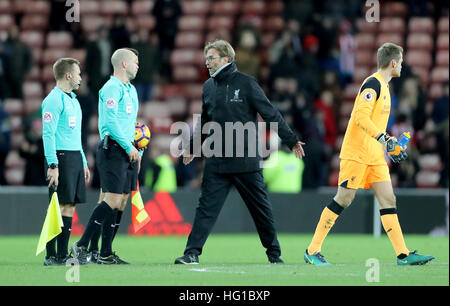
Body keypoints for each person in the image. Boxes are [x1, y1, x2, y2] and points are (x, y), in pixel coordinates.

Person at [174, 39, 306, 265]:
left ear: (226, 58)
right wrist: (194, 147)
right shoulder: (208, 87)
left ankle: (274, 254)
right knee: (205, 209)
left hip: (245, 160)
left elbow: (270, 113)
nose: (207, 63)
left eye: (211, 58)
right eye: (206, 58)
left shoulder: (247, 83)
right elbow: (205, 120)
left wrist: (291, 140)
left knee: (260, 210)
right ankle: (191, 253)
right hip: (217, 161)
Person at [303, 43, 435, 266]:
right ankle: (312, 250)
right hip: (357, 152)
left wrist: (389, 143)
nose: (401, 66)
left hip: (374, 155)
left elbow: (373, 123)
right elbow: (361, 119)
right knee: (344, 199)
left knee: (388, 199)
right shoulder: (373, 84)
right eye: (401, 62)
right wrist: (385, 139)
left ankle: (403, 255)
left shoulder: (384, 86)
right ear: (393, 63)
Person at [71, 48, 141, 265]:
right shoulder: (111, 88)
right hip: (113, 148)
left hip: (127, 149)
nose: (138, 65)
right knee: (111, 198)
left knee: (120, 201)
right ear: (123, 64)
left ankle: (105, 253)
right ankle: (81, 245)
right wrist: (128, 146)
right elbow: (110, 122)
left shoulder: (131, 90)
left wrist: (137, 148)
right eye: (135, 61)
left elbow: (130, 124)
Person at [41, 58, 90, 266]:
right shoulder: (53, 100)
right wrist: (53, 165)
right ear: (68, 75)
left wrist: (84, 162)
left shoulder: (73, 100)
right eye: (78, 73)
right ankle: (51, 255)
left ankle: (61, 254)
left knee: (69, 206)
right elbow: (48, 134)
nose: (80, 77)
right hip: (60, 158)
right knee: (57, 207)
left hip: (74, 158)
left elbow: (75, 136)